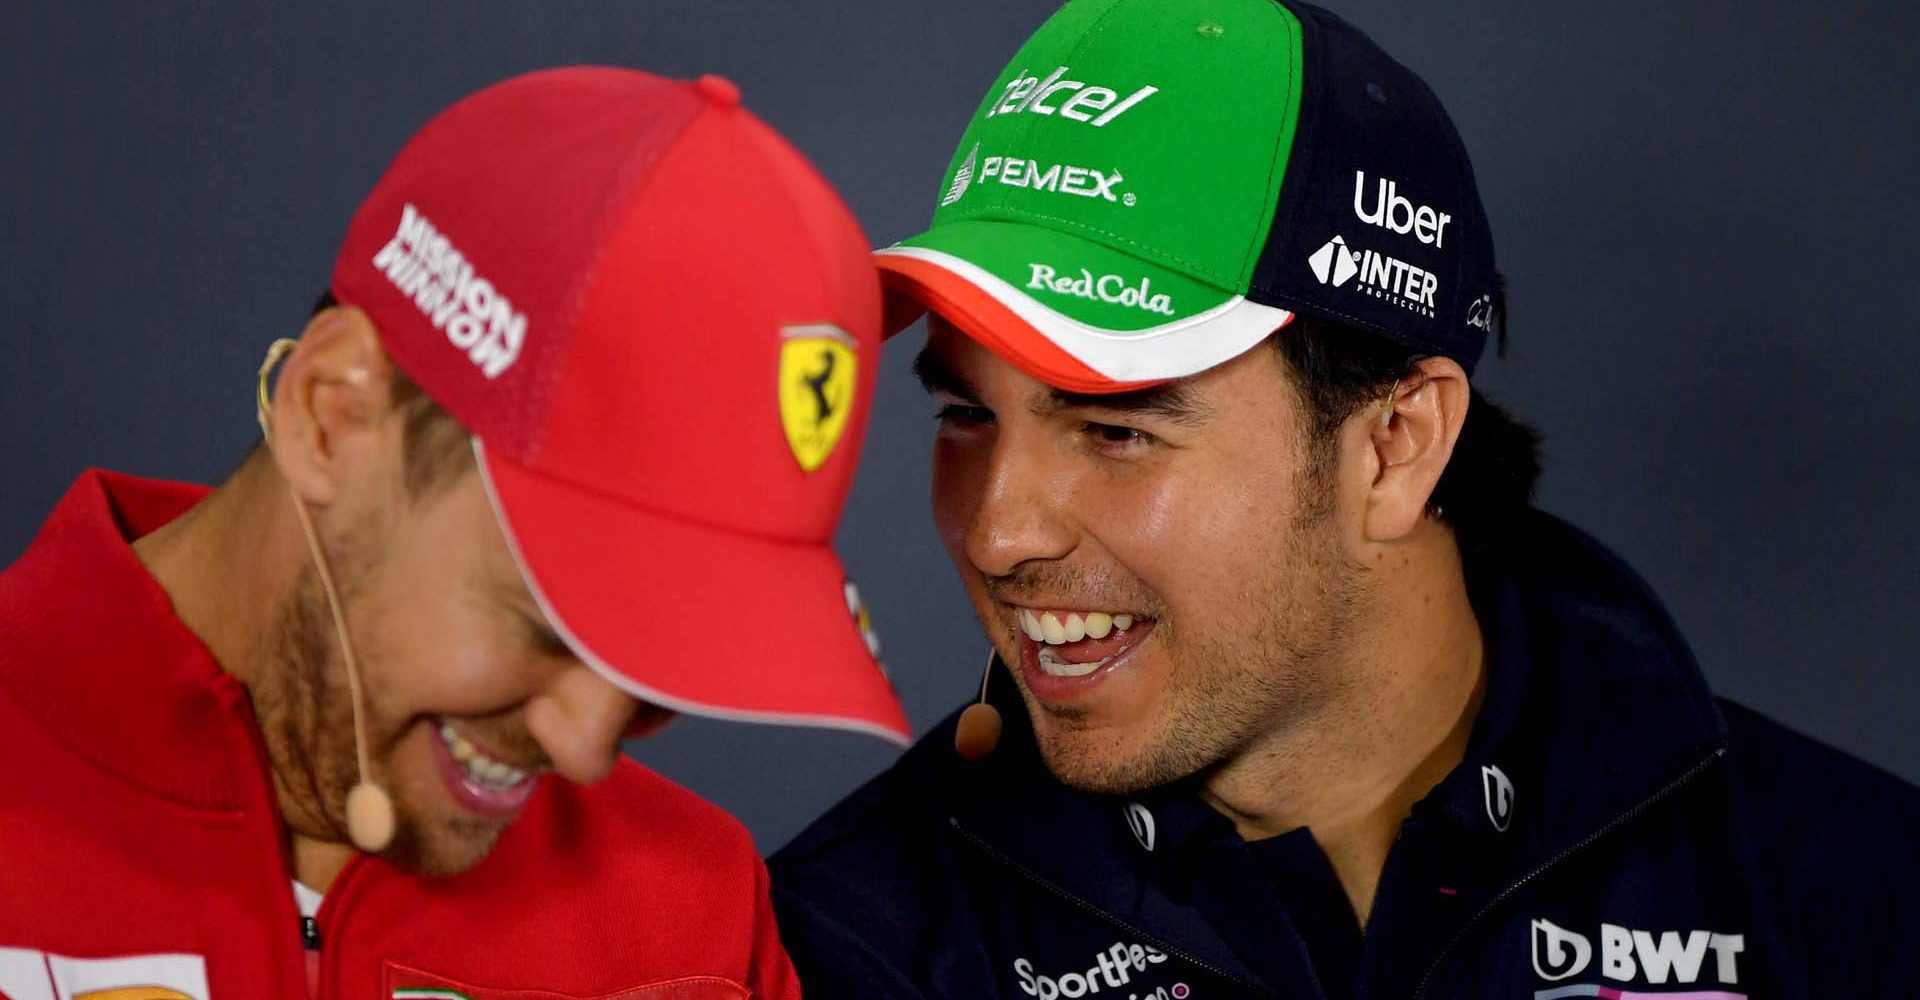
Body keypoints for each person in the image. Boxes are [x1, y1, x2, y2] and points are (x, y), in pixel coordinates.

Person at [768, 2, 1920, 998]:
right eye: (966, 415)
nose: (998, 530)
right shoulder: (855, 940)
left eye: (1115, 427)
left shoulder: (1842, 890)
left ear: (1395, 446)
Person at [0, 67, 909, 999]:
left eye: (659, 658)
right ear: (329, 416)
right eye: (547, 622)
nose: (587, 747)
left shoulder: (694, 919)